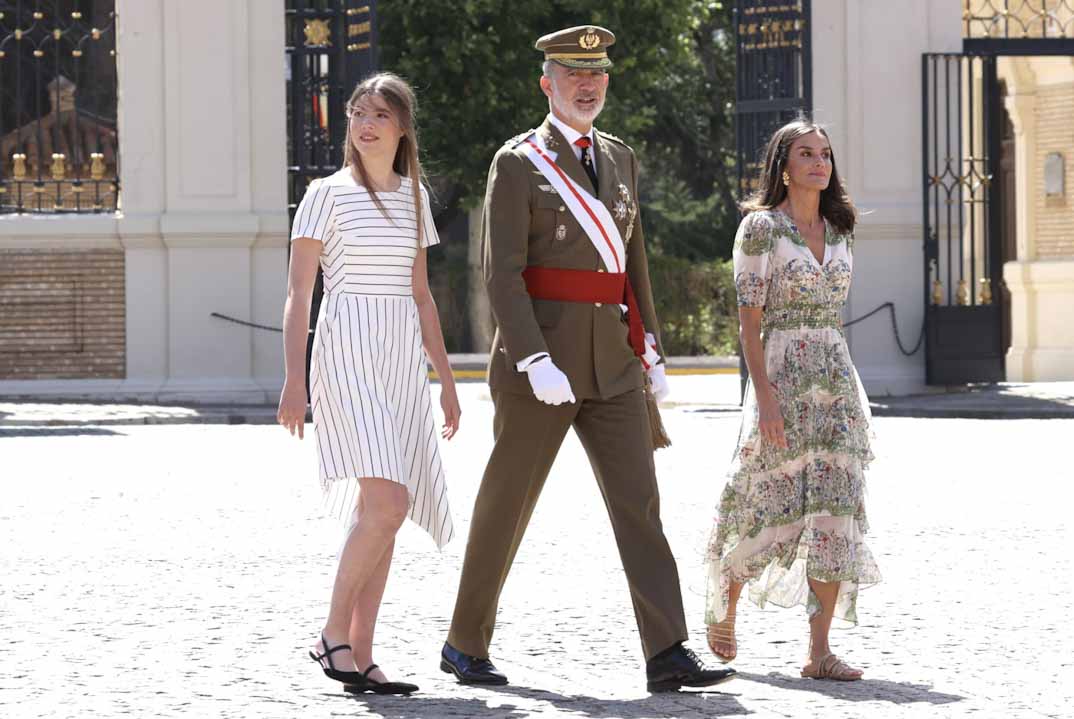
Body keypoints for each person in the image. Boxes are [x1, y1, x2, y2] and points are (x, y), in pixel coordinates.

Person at [439, 25, 735, 693]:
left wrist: (651, 344)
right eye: (573, 74)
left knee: (640, 504)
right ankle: (464, 641)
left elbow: (634, 265)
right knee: (507, 505)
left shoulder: (621, 157)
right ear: (547, 83)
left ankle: (668, 651)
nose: (587, 83)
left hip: (612, 361)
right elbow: (500, 274)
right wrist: (533, 357)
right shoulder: (518, 163)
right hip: (540, 364)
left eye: (597, 73)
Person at [277, 72, 460, 695]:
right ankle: (331, 636)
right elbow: (301, 295)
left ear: (402, 126)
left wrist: (447, 380)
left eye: (380, 113)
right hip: (345, 349)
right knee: (388, 504)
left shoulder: (416, 197)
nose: (366, 122)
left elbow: (422, 296)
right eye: (358, 111)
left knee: (377, 512)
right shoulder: (324, 194)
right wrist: (293, 381)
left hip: (401, 357)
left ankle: (361, 650)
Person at [704, 119, 881, 681]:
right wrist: (766, 398)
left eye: (825, 153)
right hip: (781, 375)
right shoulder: (761, 229)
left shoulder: (841, 229)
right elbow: (748, 322)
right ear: (784, 164)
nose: (819, 162)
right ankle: (724, 602)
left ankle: (820, 650)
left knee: (836, 510)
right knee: (763, 495)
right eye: (806, 153)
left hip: (835, 382)